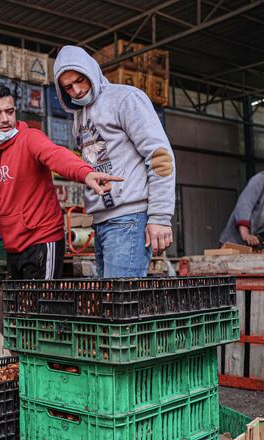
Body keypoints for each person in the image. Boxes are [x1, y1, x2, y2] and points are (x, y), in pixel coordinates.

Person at [0, 82, 121, 280]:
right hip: (12, 244)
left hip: (42, 238)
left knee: (41, 305)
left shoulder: (30, 138)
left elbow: (55, 155)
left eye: (9, 111)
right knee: (19, 308)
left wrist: (85, 173)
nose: (5, 119)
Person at [54, 45, 176, 278]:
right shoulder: (78, 118)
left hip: (129, 219)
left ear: (91, 72)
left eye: (81, 80)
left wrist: (160, 217)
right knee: (112, 303)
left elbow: (159, 156)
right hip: (101, 222)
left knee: (120, 306)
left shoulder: (126, 99)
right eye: (68, 87)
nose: (77, 90)